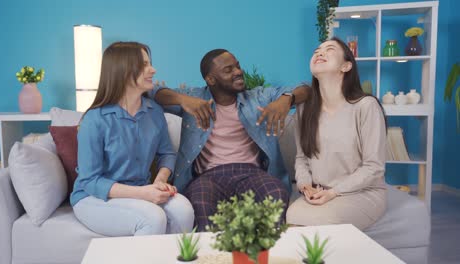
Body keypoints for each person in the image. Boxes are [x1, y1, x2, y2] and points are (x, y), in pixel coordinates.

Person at [150, 49, 310, 230]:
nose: (238, 72)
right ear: (211, 80)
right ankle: (213, 256)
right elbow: (152, 92)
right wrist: (181, 99)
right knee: (199, 200)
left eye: (238, 66)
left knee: (275, 192)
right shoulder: (194, 100)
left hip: (251, 173)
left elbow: (306, 88)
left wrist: (287, 99)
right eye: (228, 70)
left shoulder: (258, 97)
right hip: (208, 177)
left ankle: (265, 254)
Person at [70, 42, 194, 236]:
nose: (153, 70)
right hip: (94, 198)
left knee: (184, 210)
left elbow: (166, 152)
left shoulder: (154, 112)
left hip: (141, 189)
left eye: (150, 63)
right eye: (144, 65)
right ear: (124, 71)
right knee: (152, 217)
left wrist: (160, 181)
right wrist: (144, 193)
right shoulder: (95, 120)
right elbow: (90, 180)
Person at [286, 37, 387, 230]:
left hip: (362, 192)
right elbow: (302, 158)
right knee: (292, 215)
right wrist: (305, 185)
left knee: (325, 224)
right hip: (321, 191)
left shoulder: (366, 106)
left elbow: (374, 167)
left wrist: (334, 192)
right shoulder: (304, 109)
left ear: (346, 66)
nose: (319, 53)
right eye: (316, 51)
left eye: (329, 49)